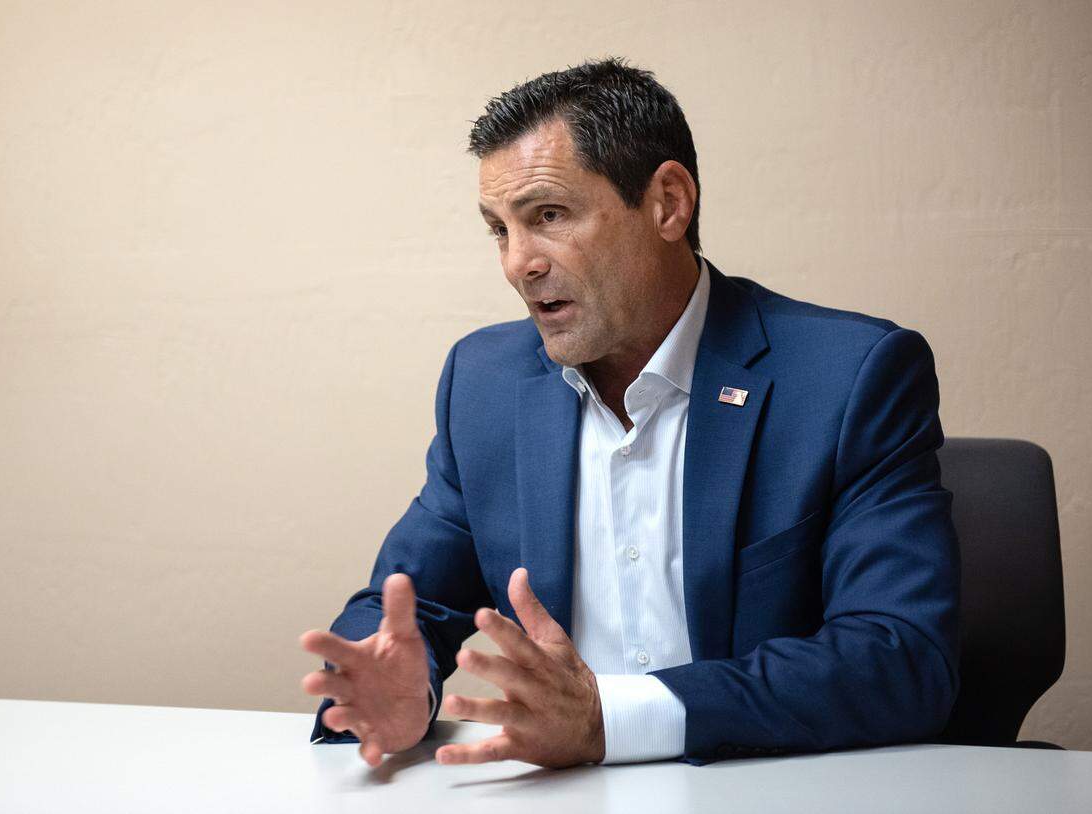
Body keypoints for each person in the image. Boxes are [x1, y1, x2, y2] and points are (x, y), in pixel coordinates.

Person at [299, 58, 960, 769]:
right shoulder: (484, 384)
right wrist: (399, 683)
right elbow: (406, 604)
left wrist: (612, 720)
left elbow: (900, 656)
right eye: (500, 229)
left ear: (668, 204)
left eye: (548, 217)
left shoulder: (850, 378)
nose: (519, 263)